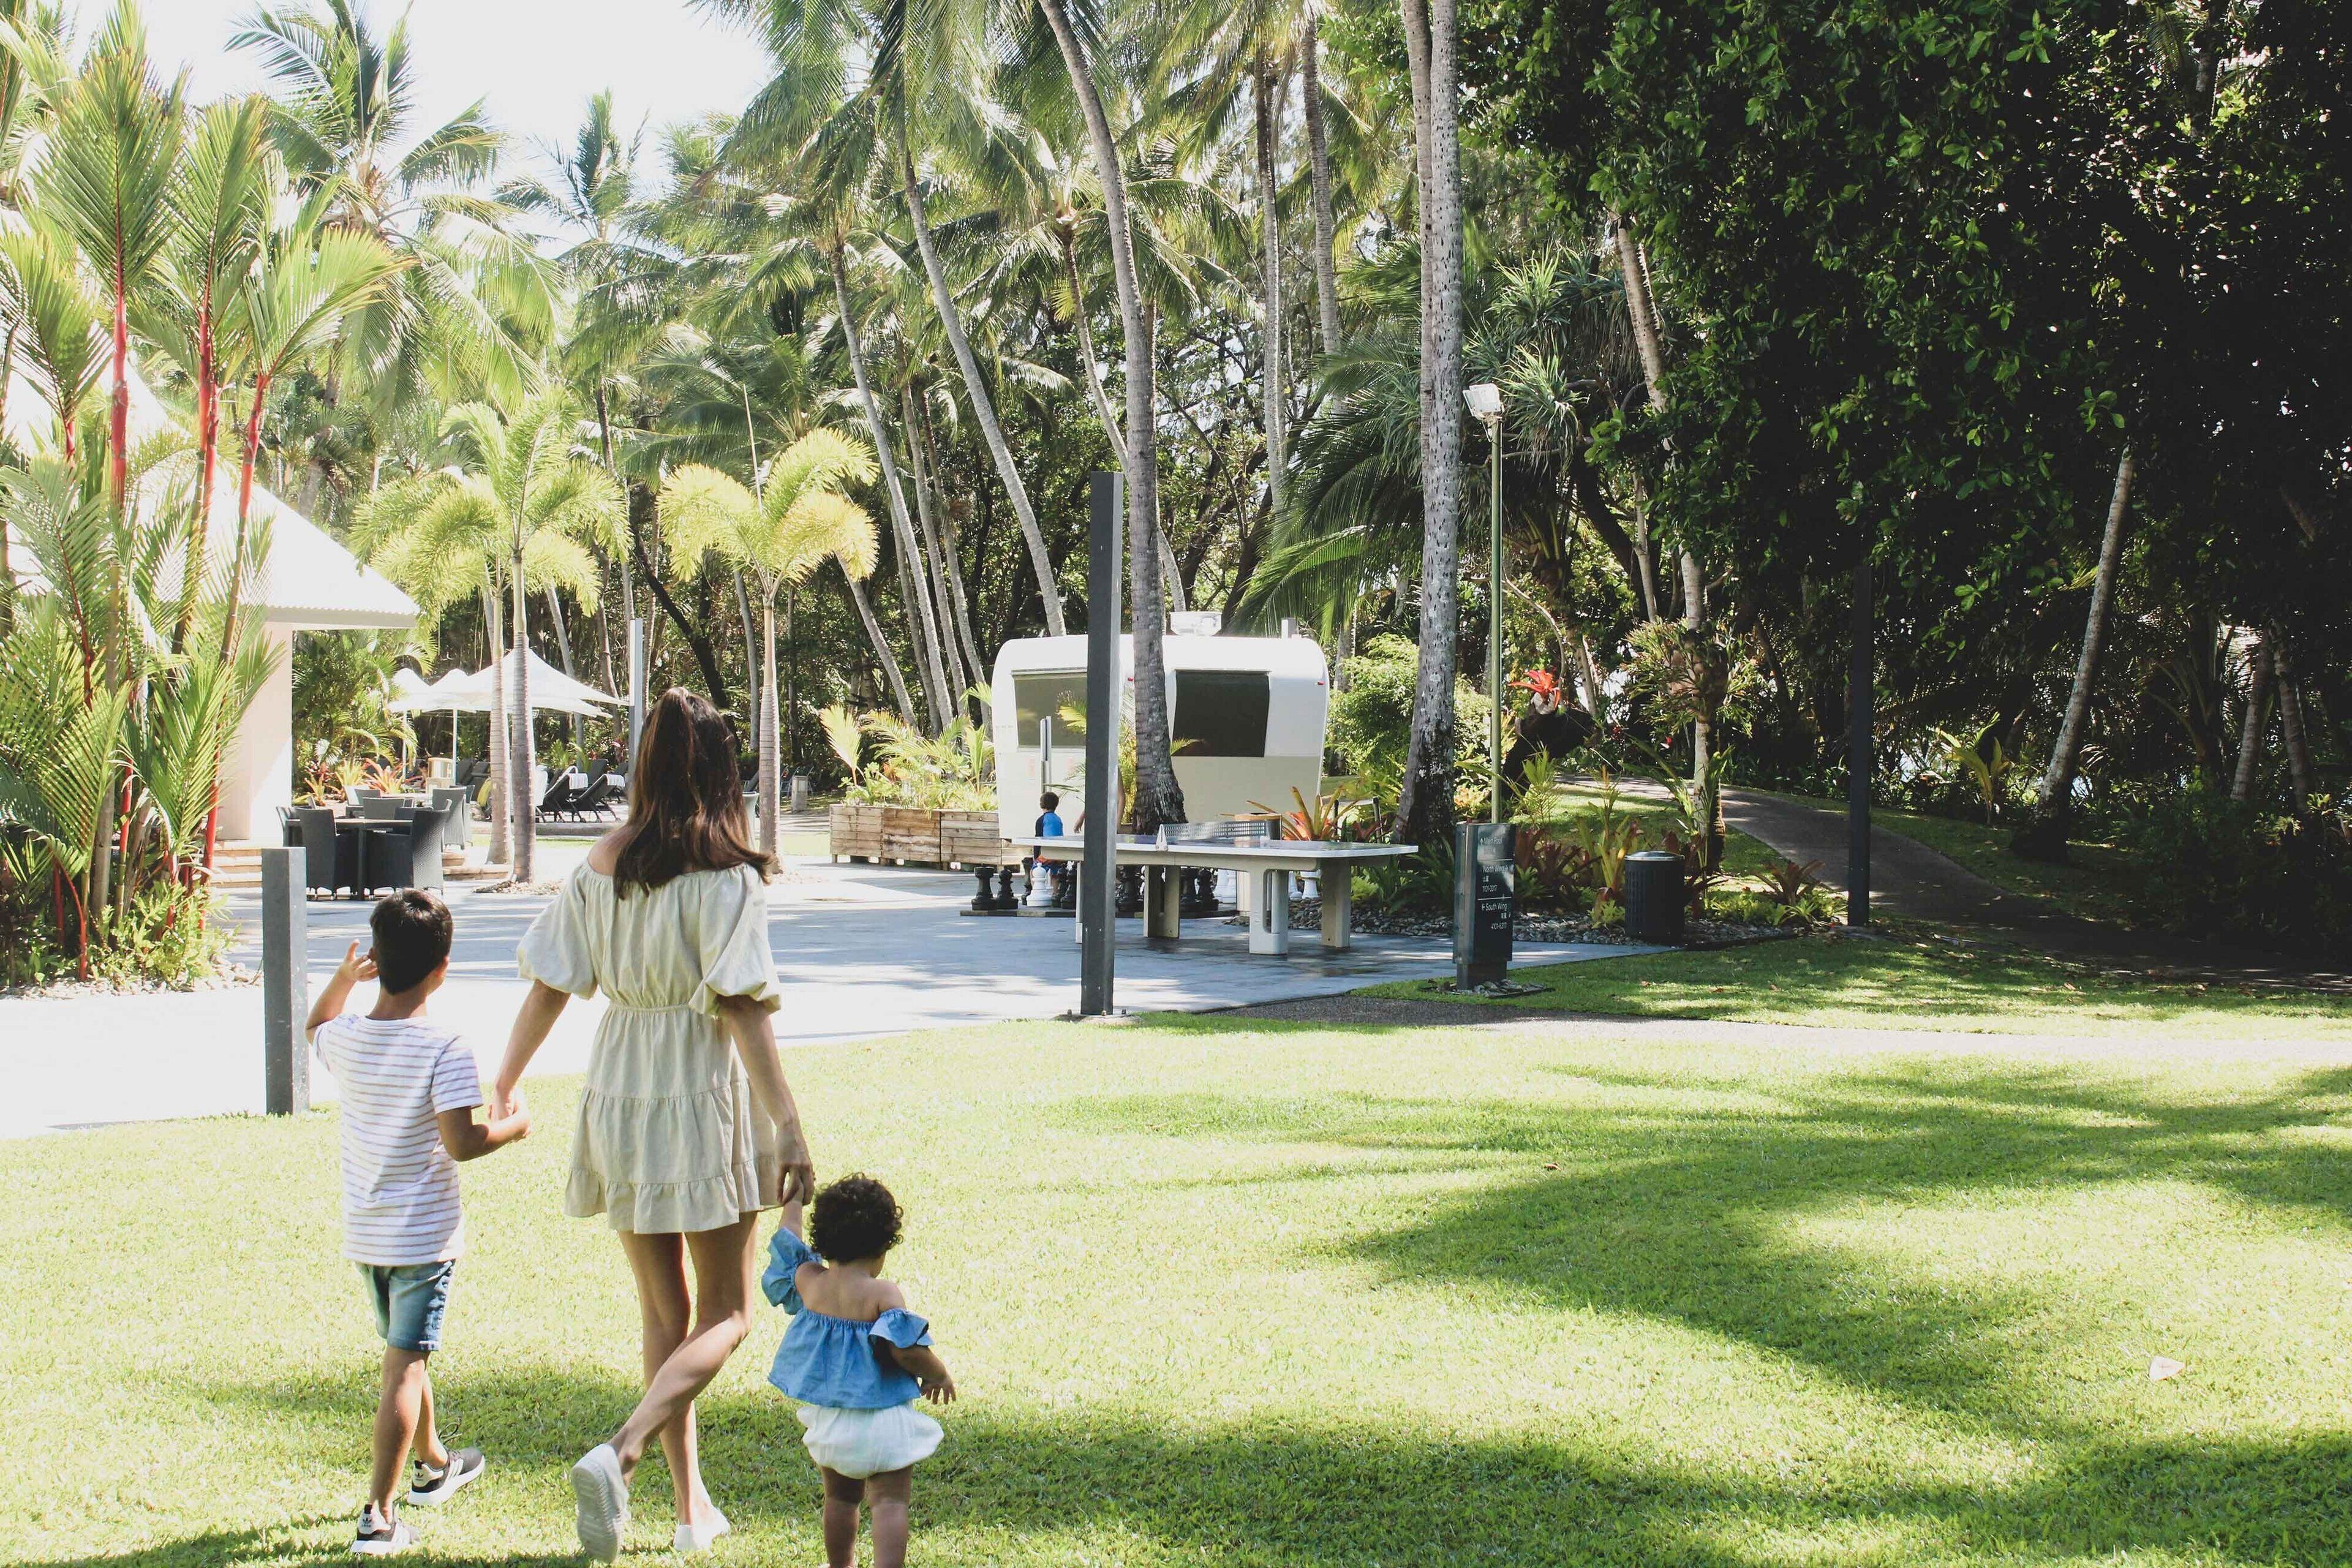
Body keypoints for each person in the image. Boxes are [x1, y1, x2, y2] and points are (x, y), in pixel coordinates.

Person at [494, 687, 818, 1561]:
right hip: (702, 1088)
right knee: (727, 1312)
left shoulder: (596, 866)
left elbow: (549, 985)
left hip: (622, 1090)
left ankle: (690, 1512)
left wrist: (505, 1079)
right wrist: (789, 1126)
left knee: (662, 1315)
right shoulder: (729, 878)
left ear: (642, 765)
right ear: (721, 773)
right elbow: (744, 1010)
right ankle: (624, 1450)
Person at [306, 891, 532, 1557]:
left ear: (376, 957)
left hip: (368, 1235)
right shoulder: (446, 1045)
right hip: (424, 1239)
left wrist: (344, 980)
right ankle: (377, 1513)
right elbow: (462, 1142)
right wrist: (516, 1124)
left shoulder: (347, 1037)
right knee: (405, 1365)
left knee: (407, 1351)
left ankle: (437, 1463)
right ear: (444, 967)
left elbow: (316, 1024)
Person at [761, 1176, 956, 1568]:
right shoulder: (883, 1293)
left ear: (824, 1240)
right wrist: (938, 1373)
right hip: (883, 1419)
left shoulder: (811, 1282)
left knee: (839, 1499)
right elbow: (904, 1350)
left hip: (832, 1423)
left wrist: (795, 1201)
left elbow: (788, 1244)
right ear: (884, 1245)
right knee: (889, 1502)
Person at [1028, 790, 1066, 900]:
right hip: (1059, 851)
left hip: (1047, 852)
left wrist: (1036, 857)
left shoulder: (1041, 820)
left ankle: (1036, 892)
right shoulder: (1058, 819)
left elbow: (1038, 839)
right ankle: (1056, 894)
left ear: (1042, 804)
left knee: (1034, 871)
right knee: (1055, 874)